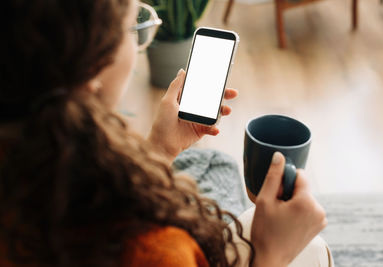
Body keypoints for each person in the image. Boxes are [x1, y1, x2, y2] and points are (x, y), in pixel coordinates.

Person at [0, 0, 332, 266]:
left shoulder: (34, 160)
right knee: (310, 248)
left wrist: (159, 148)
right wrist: (271, 256)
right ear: (94, 66)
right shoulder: (153, 249)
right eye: (133, 27)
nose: (139, 45)